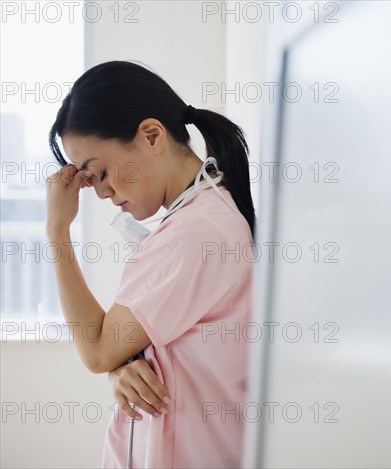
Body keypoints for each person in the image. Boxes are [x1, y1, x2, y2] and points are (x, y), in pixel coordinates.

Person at [46, 60, 255, 468]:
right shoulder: (205, 215)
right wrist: (123, 365)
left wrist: (57, 232)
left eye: (101, 172)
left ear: (152, 135)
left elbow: (97, 349)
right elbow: (122, 350)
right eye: (90, 182)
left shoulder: (193, 233)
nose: (102, 192)